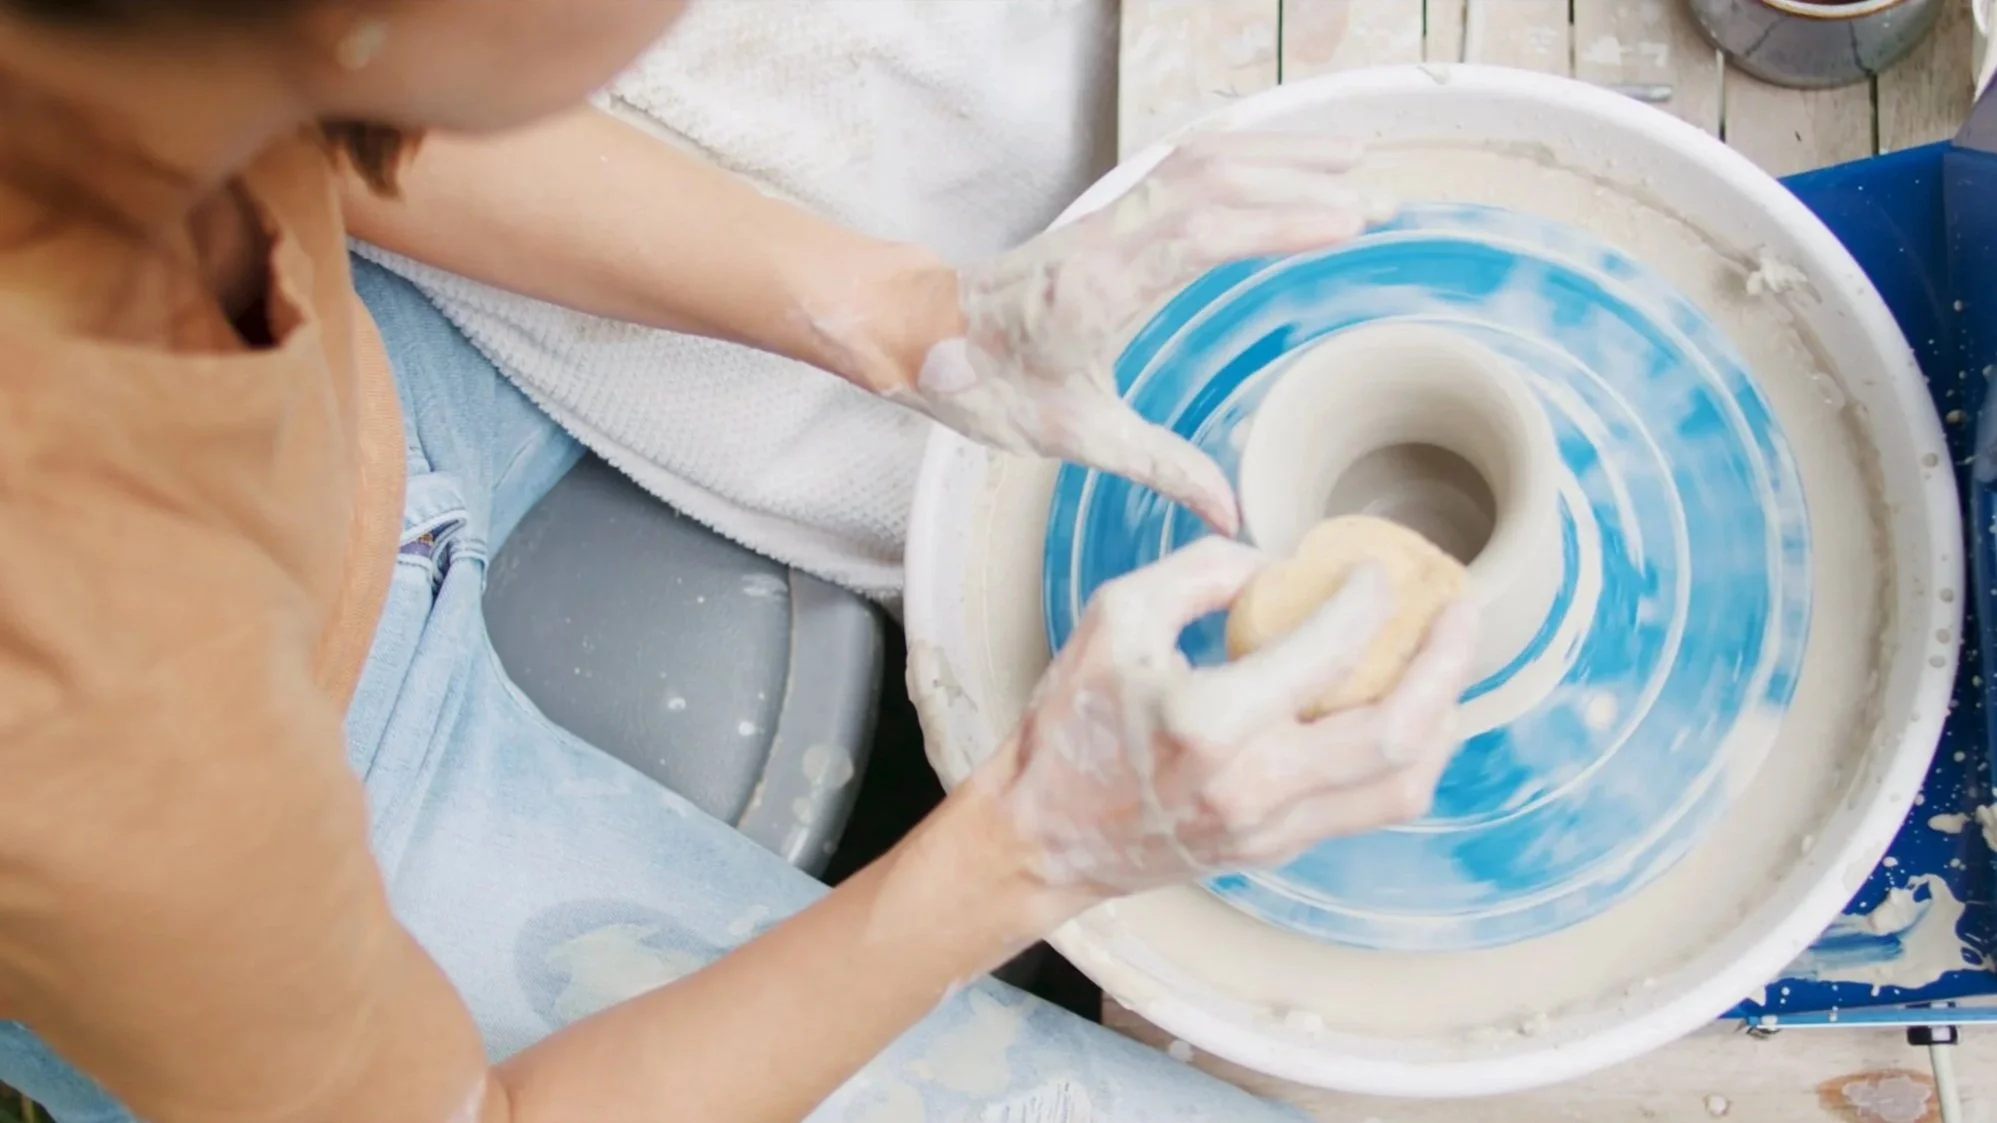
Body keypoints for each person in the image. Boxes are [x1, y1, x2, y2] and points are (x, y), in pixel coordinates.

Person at [0, 1, 1479, 1121]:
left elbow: (327, 93)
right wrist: (1033, 846)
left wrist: (907, 313)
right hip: (310, 778)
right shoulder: (81, 692)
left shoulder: (161, 52)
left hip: (374, 367)